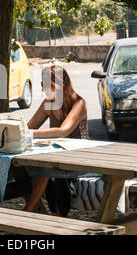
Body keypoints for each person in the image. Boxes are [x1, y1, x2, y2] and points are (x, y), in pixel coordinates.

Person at [24, 65, 89, 215]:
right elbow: (29, 127)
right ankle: (48, 213)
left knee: (49, 169)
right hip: (59, 155)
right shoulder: (49, 103)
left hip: (81, 156)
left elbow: (63, 131)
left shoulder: (79, 103)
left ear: (60, 85)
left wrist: (31, 134)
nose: (43, 90)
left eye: (48, 86)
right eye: (42, 85)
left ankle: (31, 209)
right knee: (43, 166)